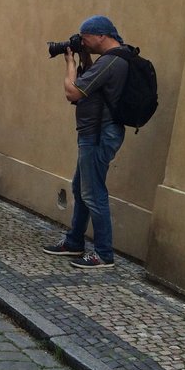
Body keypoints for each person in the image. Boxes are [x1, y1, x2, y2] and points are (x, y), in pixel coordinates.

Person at [42, 15, 128, 269]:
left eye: (85, 38)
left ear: (101, 35)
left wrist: (69, 62)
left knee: (93, 192)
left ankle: (103, 254)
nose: (83, 42)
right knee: (81, 188)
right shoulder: (110, 60)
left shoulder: (112, 61)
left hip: (99, 134)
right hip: (94, 132)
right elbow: (94, 85)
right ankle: (74, 241)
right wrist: (83, 58)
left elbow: (74, 91)